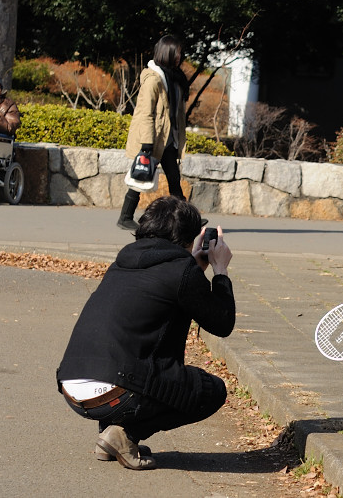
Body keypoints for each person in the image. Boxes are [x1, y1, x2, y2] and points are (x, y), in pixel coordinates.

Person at [57, 196, 235, 470]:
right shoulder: (181, 272)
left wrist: (194, 269)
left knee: (142, 371)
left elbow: (166, 294)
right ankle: (123, 434)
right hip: (114, 391)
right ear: (189, 238)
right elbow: (222, 323)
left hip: (72, 388)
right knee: (212, 390)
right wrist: (220, 271)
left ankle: (114, 434)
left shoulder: (123, 262)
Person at [118, 35, 191, 230]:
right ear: (166, 53)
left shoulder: (175, 78)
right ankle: (125, 217)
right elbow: (145, 113)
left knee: (174, 180)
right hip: (154, 139)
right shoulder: (153, 80)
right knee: (140, 176)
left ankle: (186, 220)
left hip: (168, 138)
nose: (180, 56)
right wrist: (147, 143)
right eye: (177, 53)